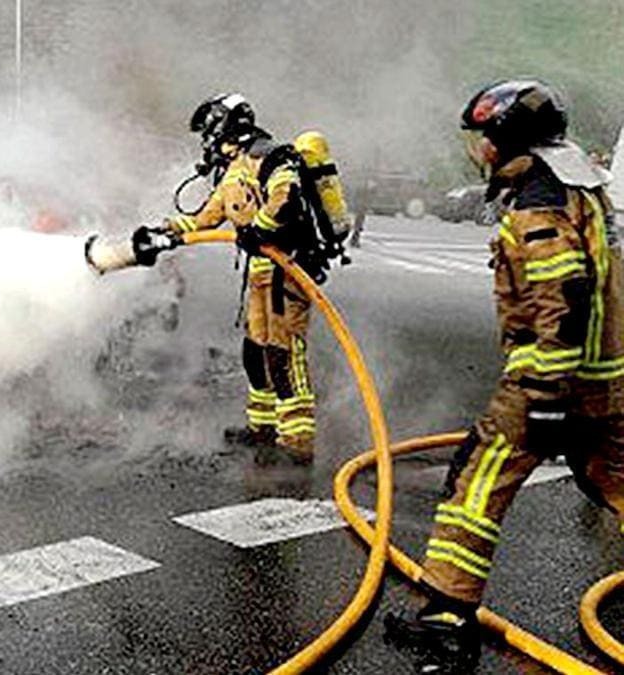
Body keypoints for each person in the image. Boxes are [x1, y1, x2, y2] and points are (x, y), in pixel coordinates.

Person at [384, 80, 624, 673]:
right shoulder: (579, 186)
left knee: (475, 482)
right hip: (607, 379)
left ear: (503, 139)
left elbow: (558, 300)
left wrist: (542, 399)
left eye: (481, 139)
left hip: (554, 381)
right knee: (612, 478)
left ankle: (444, 617)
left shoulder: (538, 203)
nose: (476, 150)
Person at [132, 93, 352, 464]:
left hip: (288, 270)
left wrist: (261, 229)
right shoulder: (233, 172)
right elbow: (203, 220)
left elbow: (286, 194)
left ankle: (298, 440)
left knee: (284, 353)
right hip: (260, 275)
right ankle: (262, 427)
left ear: (222, 125)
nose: (206, 141)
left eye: (207, 131)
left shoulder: (269, 155)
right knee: (255, 351)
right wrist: (162, 233)